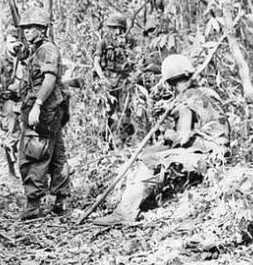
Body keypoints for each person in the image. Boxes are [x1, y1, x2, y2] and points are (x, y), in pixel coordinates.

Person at [93, 54, 229, 226]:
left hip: (208, 153)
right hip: (218, 149)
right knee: (152, 151)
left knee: (148, 160)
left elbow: (183, 138)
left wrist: (168, 134)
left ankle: (125, 213)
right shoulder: (207, 92)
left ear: (170, 81)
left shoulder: (186, 99)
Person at [15, 9, 71, 220]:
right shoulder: (37, 50)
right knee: (56, 154)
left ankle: (33, 204)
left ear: (41, 29)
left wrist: (37, 104)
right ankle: (61, 200)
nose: (27, 31)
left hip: (44, 110)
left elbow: (48, 79)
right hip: (49, 109)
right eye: (25, 28)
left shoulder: (46, 49)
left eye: (31, 28)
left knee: (33, 153)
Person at [92, 12, 137, 145]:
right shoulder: (103, 43)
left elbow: (136, 60)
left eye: (119, 28)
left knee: (125, 112)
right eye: (113, 28)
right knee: (106, 113)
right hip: (108, 80)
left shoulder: (129, 42)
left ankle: (123, 141)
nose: (117, 31)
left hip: (124, 81)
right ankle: (105, 143)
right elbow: (96, 62)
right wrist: (102, 78)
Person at [0, 28, 26, 171]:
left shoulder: (25, 59)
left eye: (17, 41)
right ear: (5, 43)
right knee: (11, 136)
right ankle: (12, 169)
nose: (15, 44)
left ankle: (25, 167)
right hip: (8, 102)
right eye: (11, 41)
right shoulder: (1, 62)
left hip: (25, 99)